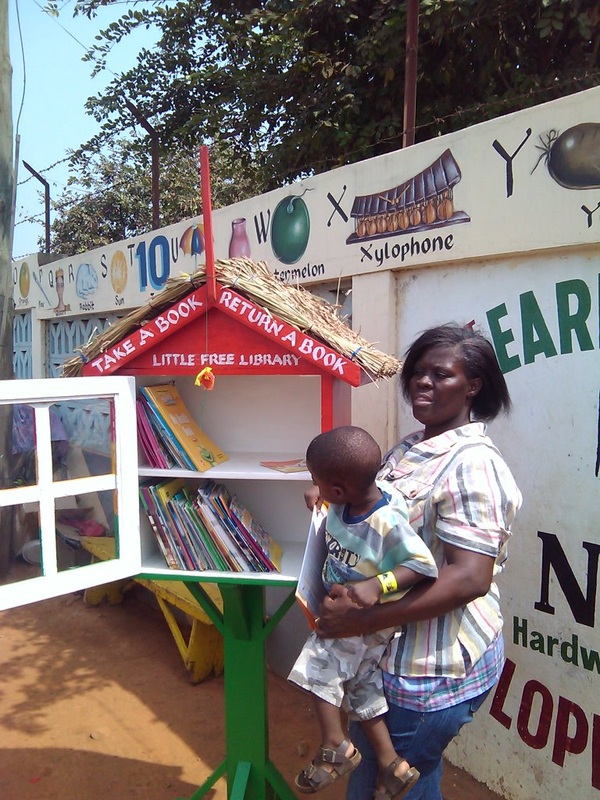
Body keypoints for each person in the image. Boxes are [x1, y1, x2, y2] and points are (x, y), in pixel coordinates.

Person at [309, 323, 522, 800]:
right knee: (405, 783)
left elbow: (469, 578)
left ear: (473, 386)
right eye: (417, 372)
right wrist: (331, 494)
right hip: (393, 656)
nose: (423, 382)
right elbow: (375, 510)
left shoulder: (473, 465)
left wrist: (364, 616)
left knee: (384, 788)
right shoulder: (413, 446)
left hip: (430, 671)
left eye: (441, 374)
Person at [289, 425, 438, 798]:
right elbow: (333, 491)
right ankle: (392, 765)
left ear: (339, 490)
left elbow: (423, 565)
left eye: (317, 481)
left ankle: (335, 747)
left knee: (317, 665)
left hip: (356, 620)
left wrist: (377, 585)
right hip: (358, 622)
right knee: (362, 689)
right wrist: (319, 493)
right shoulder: (348, 498)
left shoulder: (386, 520)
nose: (315, 487)